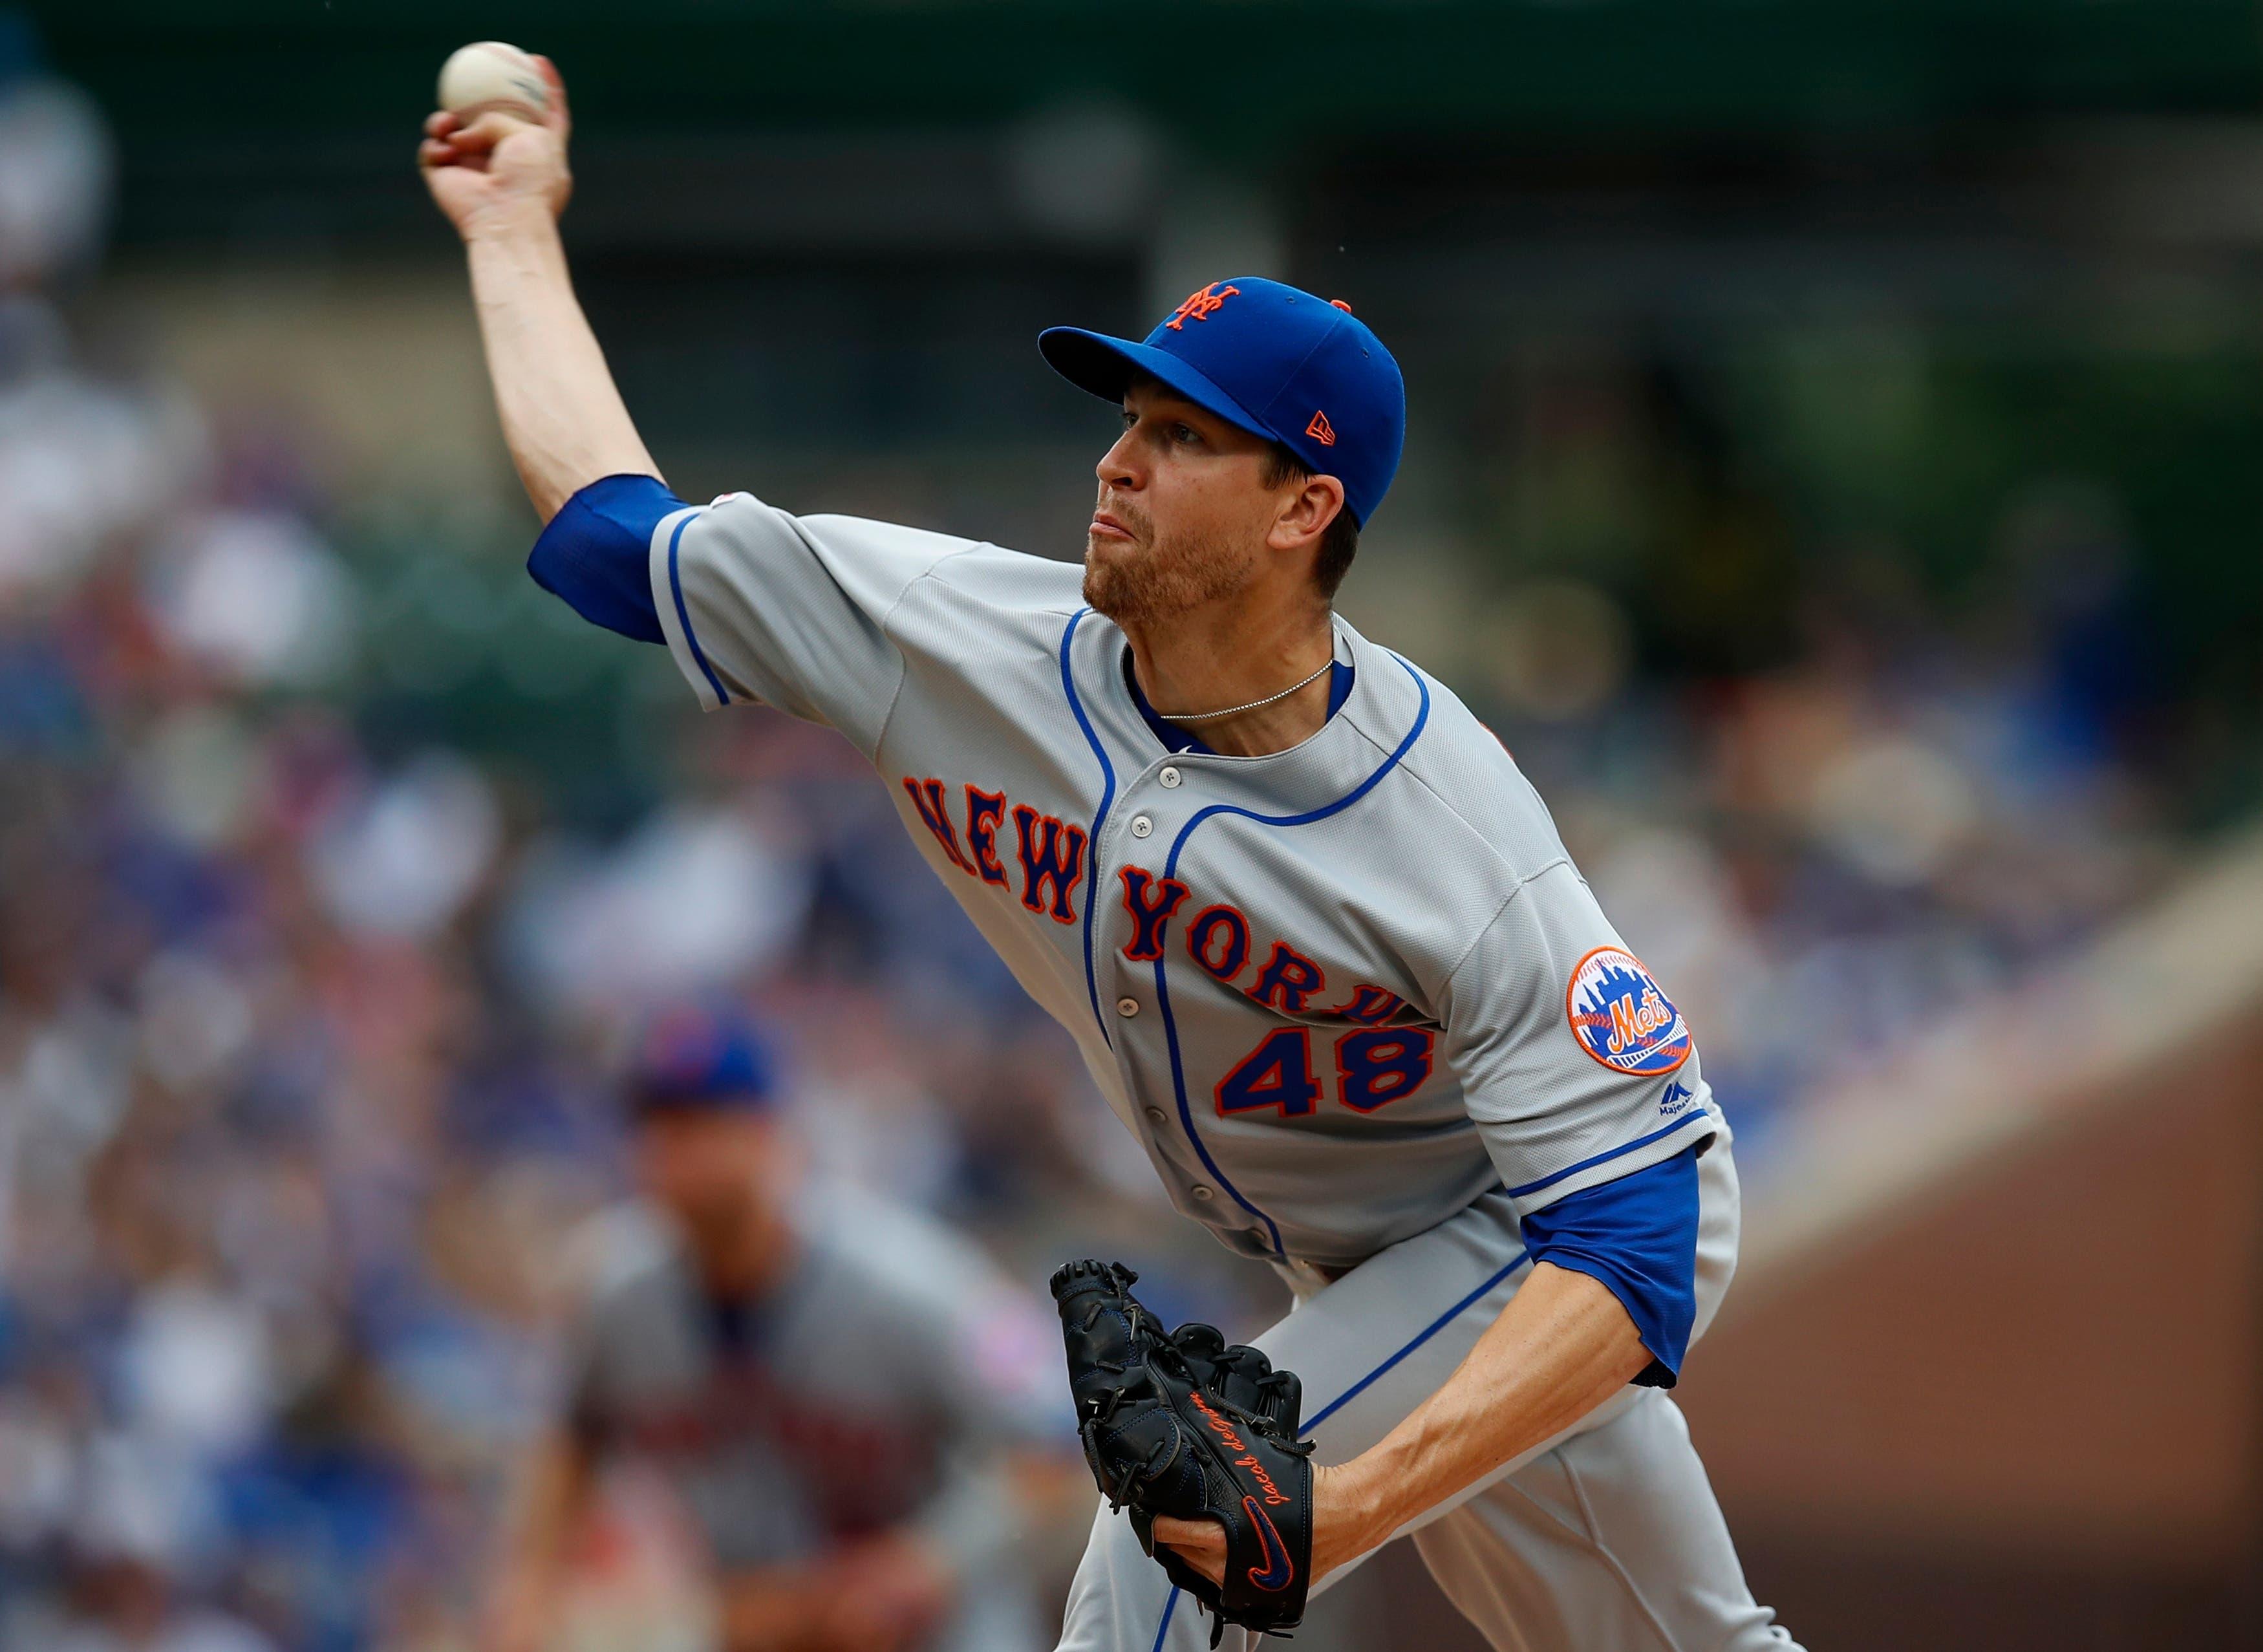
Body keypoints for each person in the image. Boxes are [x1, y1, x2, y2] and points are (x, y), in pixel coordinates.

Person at [422, 63, 1803, 1652]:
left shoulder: (1451, 827)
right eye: (1127, 419)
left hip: (1518, 1242)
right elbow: (610, 538)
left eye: (1180, 436)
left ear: (1305, 507)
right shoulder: (954, 638)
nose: (1116, 461)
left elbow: (1638, 1229)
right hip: (1346, 1259)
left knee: (1167, 1563)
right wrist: (513, 223)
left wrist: (1339, 1509)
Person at [484, 1007, 1071, 1652]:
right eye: (657, 1128)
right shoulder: (610, 1290)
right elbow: (569, 1433)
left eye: (703, 1124)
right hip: (755, 1622)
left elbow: (1056, 1434)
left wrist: (931, 1558)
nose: (676, 1153)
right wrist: (527, 1586)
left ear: (771, 1134)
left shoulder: (917, 1281)